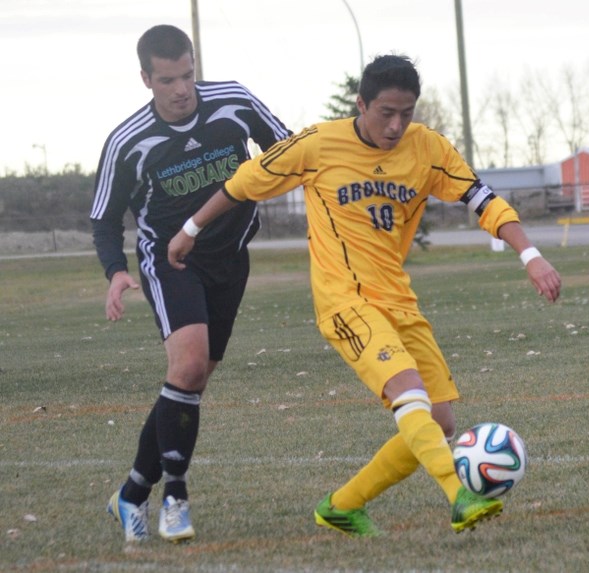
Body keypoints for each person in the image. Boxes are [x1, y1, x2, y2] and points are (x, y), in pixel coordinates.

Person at [168, 54, 561, 537]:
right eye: (386, 113)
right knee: (409, 393)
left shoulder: (429, 149)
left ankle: (342, 506)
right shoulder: (316, 144)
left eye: (407, 113)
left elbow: (482, 199)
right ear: (361, 104)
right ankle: (460, 494)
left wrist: (531, 255)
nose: (396, 126)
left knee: (438, 421)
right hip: (345, 302)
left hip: (399, 300)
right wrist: (190, 228)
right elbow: (240, 185)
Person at [90, 24, 290, 544]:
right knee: (188, 364)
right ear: (145, 79)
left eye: (188, 74)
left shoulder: (233, 102)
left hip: (231, 259)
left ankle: (131, 493)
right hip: (171, 260)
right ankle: (174, 498)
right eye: (167, 80)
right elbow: (104, 218)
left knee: (190, 381)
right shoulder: (128, 141)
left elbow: (287, 153)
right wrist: (116, 272)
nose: (181, 89)